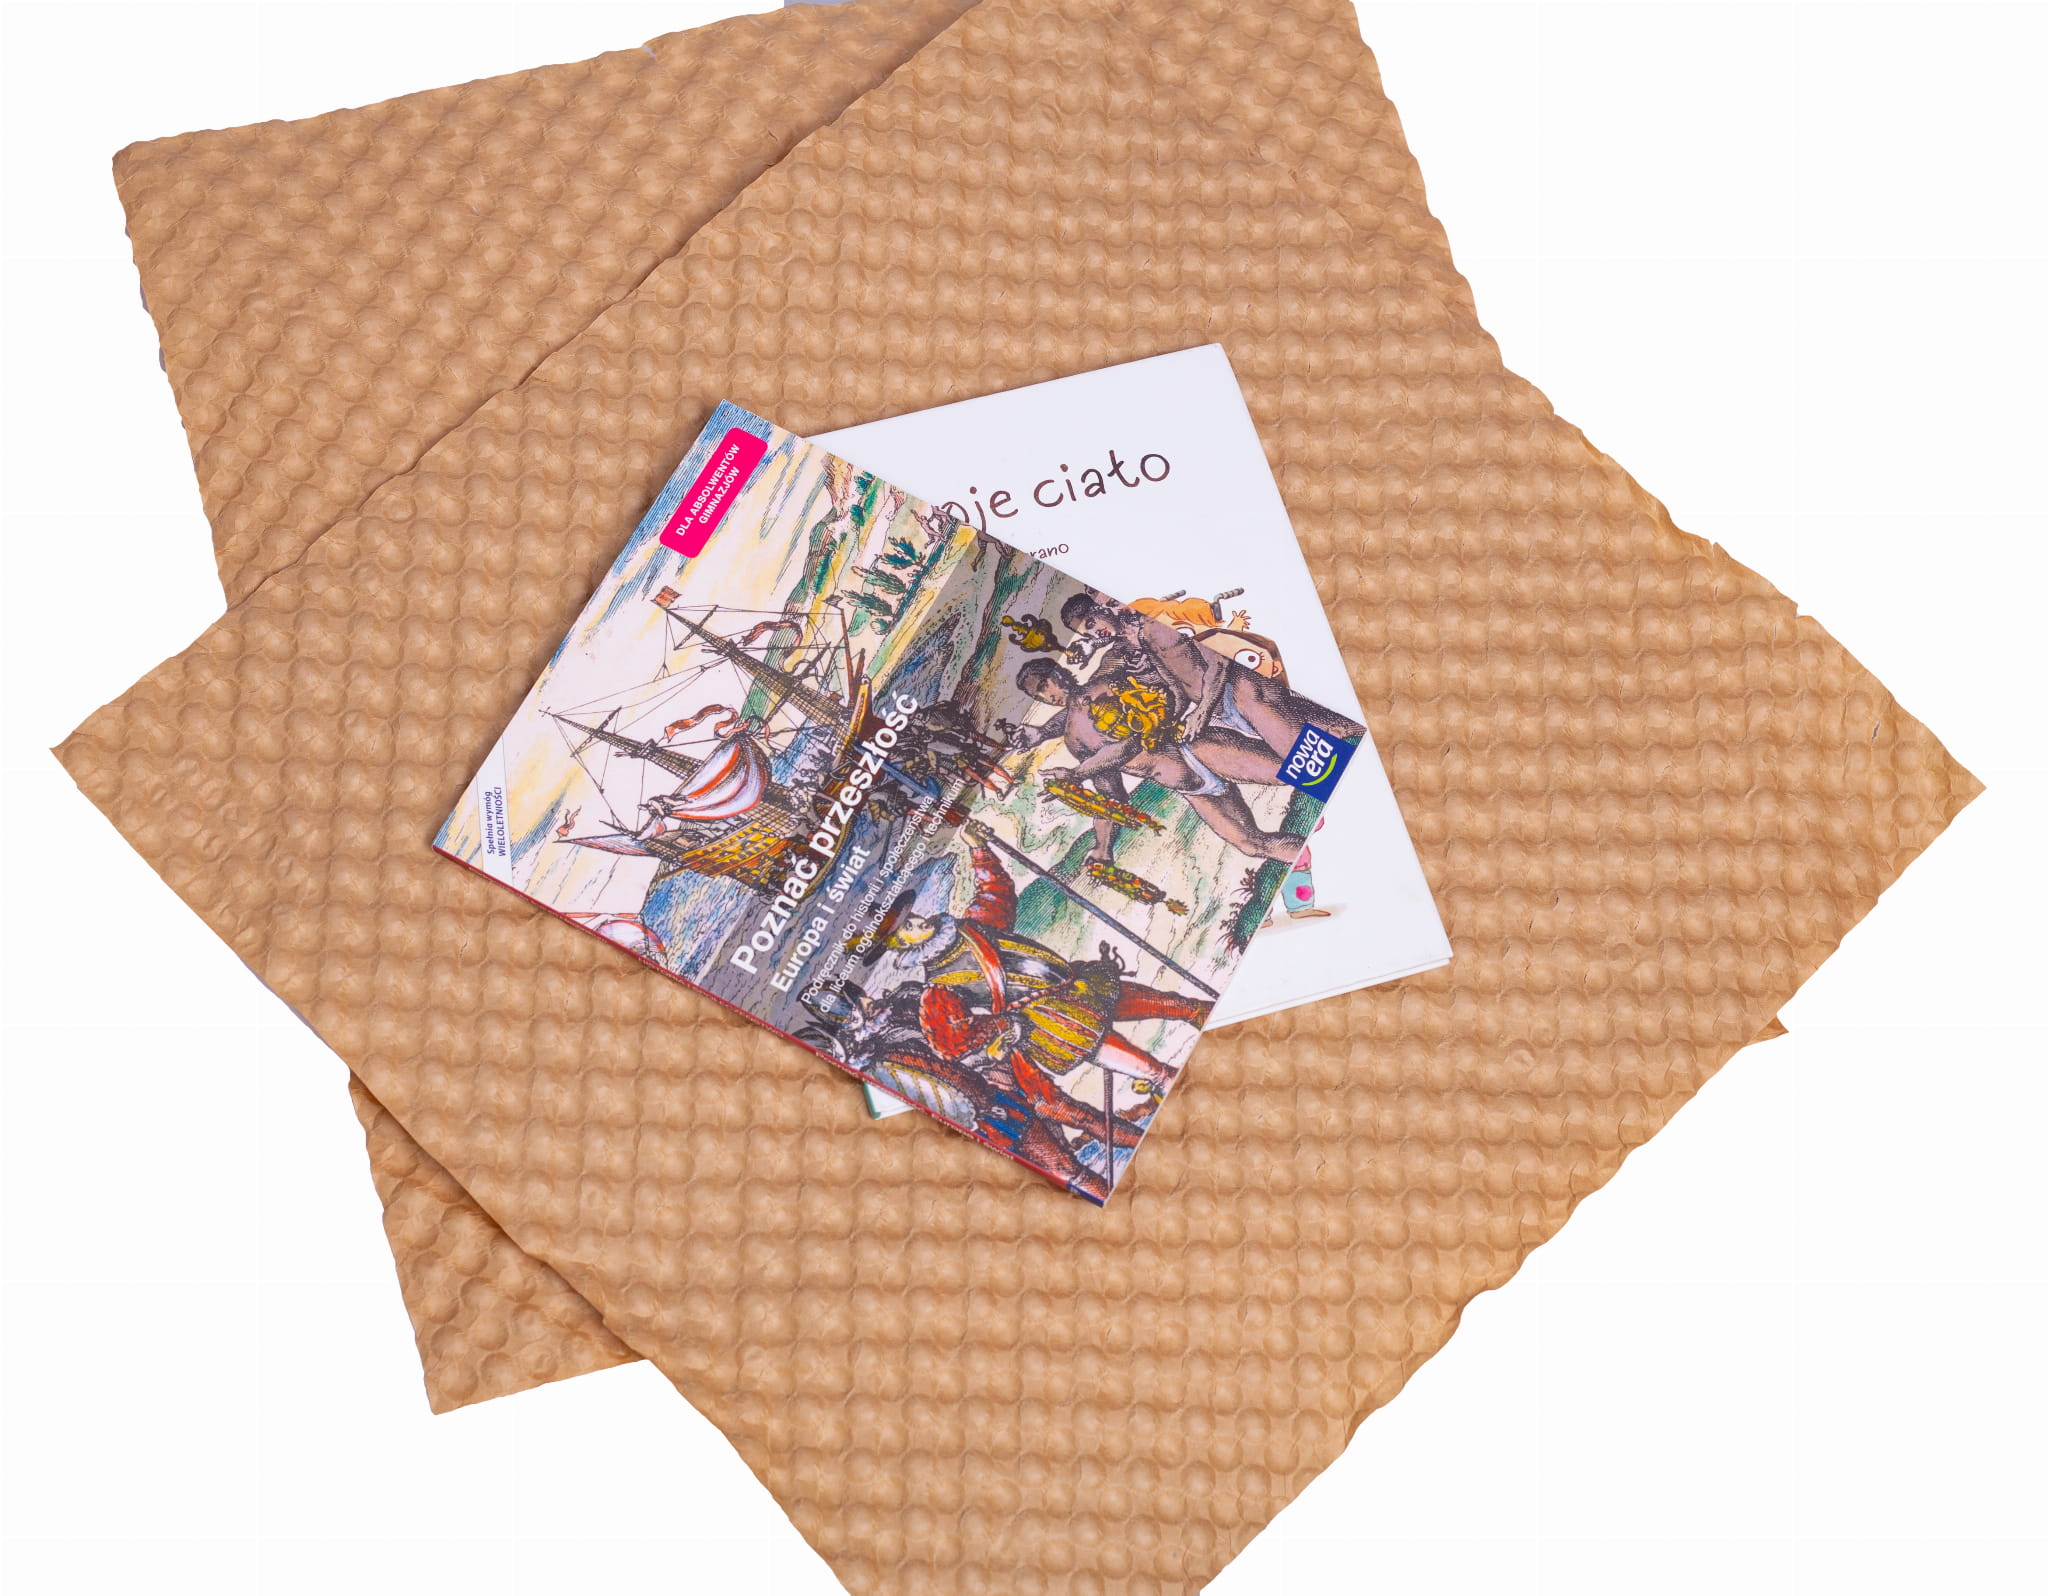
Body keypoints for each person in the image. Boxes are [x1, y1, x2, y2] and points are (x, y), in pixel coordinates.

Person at [1013, 657, 1313, 864]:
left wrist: (1076, 773)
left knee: (1304, 770)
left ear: (1058, 673)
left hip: (1197, 750)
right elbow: (1111, 798)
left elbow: (1129, 742)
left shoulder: (1105, 684)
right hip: (1193, 788)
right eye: (1037, 695)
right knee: (1251, 845)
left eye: (1044, 684)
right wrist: (1102, 848)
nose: (1046, 695)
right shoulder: (1074, 740)